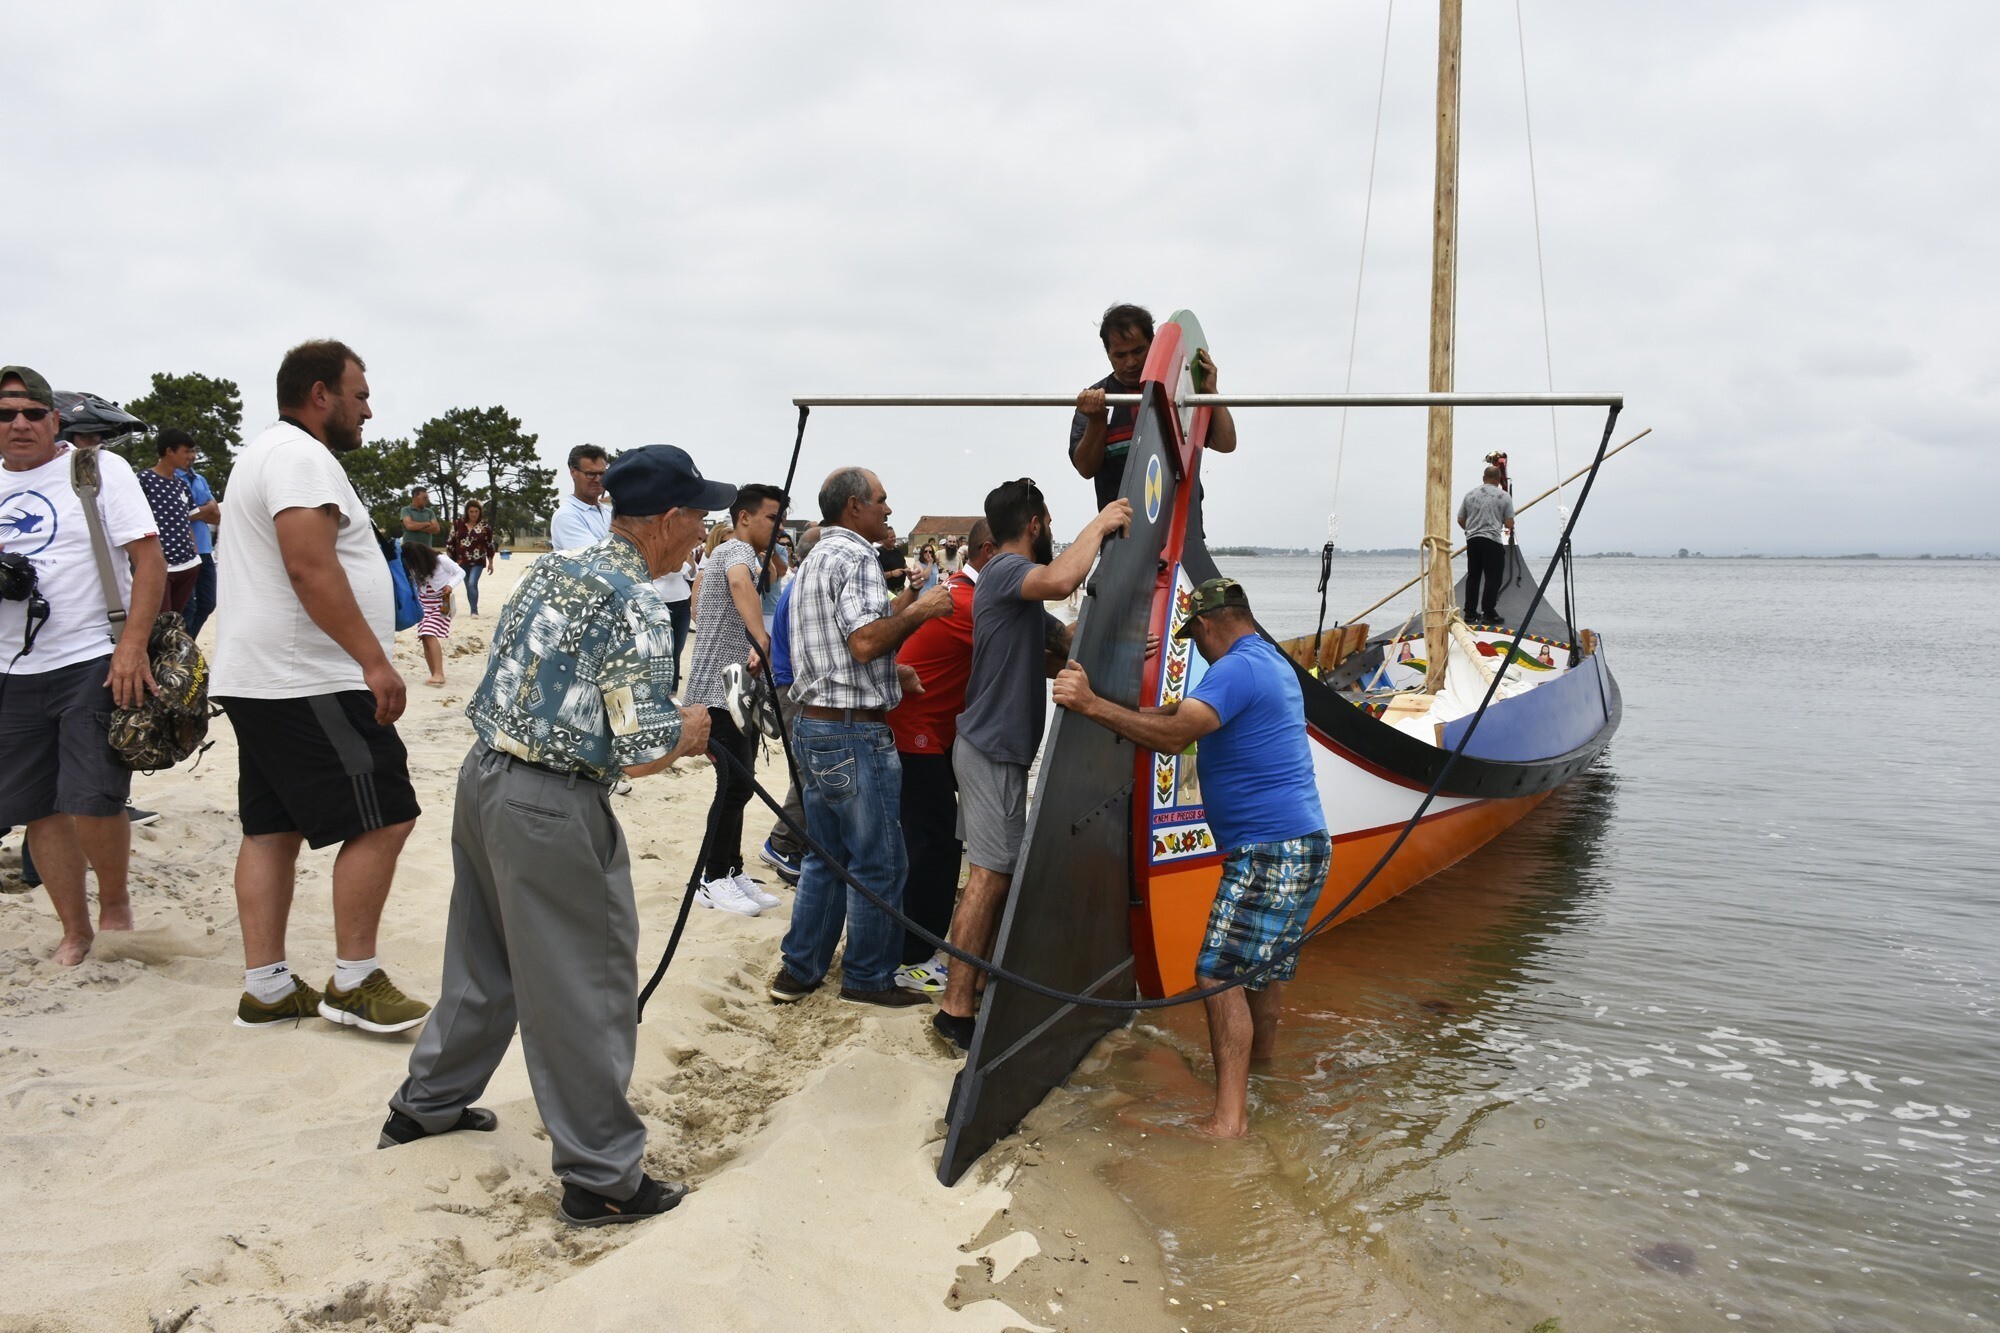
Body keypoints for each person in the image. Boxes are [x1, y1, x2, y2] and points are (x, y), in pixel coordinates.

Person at [385, 443, 728, 1227]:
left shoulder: (555, 567)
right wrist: (697, 728)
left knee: (482, 959)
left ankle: (425, 1106)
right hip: (551, 804)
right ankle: (602, 1174)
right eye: (699, 515)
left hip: (484, 780)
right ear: (669, 520)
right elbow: (641, 749)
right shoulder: (638, 599)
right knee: (586, 985)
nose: (703, 529)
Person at [1053, 577, 1329, 1137]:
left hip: (1267, 851)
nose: (1199, 650)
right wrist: (1111, 707)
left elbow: (1176, 736)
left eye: (1196, 638)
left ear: (1206, 625)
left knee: (1216, 976)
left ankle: (1228, 1120)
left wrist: (1088, 704)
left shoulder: (1235, 669)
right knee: (1263, 978)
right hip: (1304, 846)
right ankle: (1261, 1084)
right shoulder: (1269, 662)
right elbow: (1181, 714)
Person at [211, 340, 430, 1032]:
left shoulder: (266, 452)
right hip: (305, 674)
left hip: (263, 675)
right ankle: (354, 980)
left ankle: (268, 986)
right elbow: (309, 565)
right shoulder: (301, 457)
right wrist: (373, 660)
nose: (369, 408)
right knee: (385, 810)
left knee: (274, 826)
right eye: (359, 394)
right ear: (319, 394)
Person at [930, 484, 1125, 1049]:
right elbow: (1063, 579)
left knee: (998, 873)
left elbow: (1063, 641)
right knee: (989, 876)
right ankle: (955, 1009)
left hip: (998, 751)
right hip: (990, 751)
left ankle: (981, 983)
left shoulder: (1020, 596)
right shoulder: (1004, 569)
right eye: (1051, 522)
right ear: (1036, 523)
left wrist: (1122, 643)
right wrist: (1103, 521)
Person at [768, 467, 954, 1009]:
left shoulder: (814, 560)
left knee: (825, 856)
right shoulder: (857, 558)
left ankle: (799, 970)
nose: (889, 510)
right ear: (854, 507)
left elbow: (841, 641)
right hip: (852, 731)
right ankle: (868, 977)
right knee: (880, 860)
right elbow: (865, 642)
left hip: (815, 722)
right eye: (881, 500)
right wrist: (922, 609)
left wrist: (900, 617)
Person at [0, 365, 166, 965]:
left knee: (93, 796)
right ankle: (75, 929)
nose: (19, 424)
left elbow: (149, 562)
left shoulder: (95, 470)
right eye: (5, 415)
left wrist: (132, 645)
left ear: (54, 419)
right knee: (36, 808)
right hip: (12, 670)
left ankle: (115, 901)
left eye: (32, 413)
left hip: (91, 655)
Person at [884, 518, 996, 995]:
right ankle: (915, 958)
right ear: (990, 553)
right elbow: (1047, 650)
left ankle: (906, 946)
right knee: (935, 845)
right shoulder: (971, 603)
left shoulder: (959, 592)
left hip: (917, 729)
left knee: (923, 840)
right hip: (916, 732)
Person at [683, 482, 787, 917]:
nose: (778, 527)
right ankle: (711, 878)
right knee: (734, 785)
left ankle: (730, 869)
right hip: (715, 690)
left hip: (731, 688)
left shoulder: (740, 552)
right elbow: (740, 580)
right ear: (744, 517)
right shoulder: (734, 551)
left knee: (739, 785)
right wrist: (761, 636)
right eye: (771, 518)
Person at [1069, 302, 1238, 524]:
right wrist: (1097, 421)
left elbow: (1225, 443)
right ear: (1108, 353)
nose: (1130, 362)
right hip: (1122, 532)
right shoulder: (1095, 400)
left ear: (1153, 344)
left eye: (1138, 351)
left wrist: (1210, 391)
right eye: (1120, 355)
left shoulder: (1178, 391)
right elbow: (1085, 468)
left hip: (1180, 528)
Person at [755, 526, 819, 885]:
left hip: (789, 685)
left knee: (807, 770)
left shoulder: (798, 587)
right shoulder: (801, 592)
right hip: (791, 688)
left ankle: (791, 842)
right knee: (808, 773)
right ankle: (781, 843)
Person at [137, 432, 203, 614]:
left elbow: (186, 520)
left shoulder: (182, 484)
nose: (192, 456)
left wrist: (195, 556)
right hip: (160, 567)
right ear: (169, 452)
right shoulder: (143, 480)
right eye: (187, 451)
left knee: (176, 623)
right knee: (161, 624)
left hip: (188, 565)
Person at [170, 430, 222, 639]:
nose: (192, 456)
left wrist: (193, 512)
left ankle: (186, 644)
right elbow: (173, 515)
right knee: (186, 606)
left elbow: (216, 515)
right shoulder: (168, 479)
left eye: (194, 451)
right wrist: (203, 510)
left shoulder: (199, 479)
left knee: (209, 602)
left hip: (205, 549)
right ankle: (182, 650)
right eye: (187, 451)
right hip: (184, 552)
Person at [1457, 464, 1516, 625]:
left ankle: (1469, 613)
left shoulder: (1470, 495)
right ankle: (1488, 612)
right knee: (1493, 577)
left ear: (1483, 478)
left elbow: (1461, 519)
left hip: (1473, 540)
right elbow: (1509, 523)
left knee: (1473, 576)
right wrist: (1505, 521)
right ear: (1499, 480)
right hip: (1492, 540)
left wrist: (1471, 529)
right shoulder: (1504, 496)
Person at [401, 542, 464, 687]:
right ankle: (434, 673)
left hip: (443, 601)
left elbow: (461, 572)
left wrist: (450, 585)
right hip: (424, 603)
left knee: (429, 632)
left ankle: (439, 674)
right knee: (424, 636)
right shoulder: (415, 567)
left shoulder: (441, 560)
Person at [548, 444, 610, 550]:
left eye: (602, 473)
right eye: (591, 474)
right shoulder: (566, 516)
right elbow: (595, 560)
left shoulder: (610, 513)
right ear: (573, 472)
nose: (598, 479)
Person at [447, 499, 496, 617]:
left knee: (472, 584)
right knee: (468, 586)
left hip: (478, 561)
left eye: (476, 511)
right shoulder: (458, 524)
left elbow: (490, 545)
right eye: (471, 511)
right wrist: (450, 562)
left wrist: (491, 562)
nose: (474, 514)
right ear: (467, 512)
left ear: (480, 512)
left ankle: (474, 611)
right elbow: (450, 542)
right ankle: (472, 608)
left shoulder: (485, 527)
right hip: (461, 560)